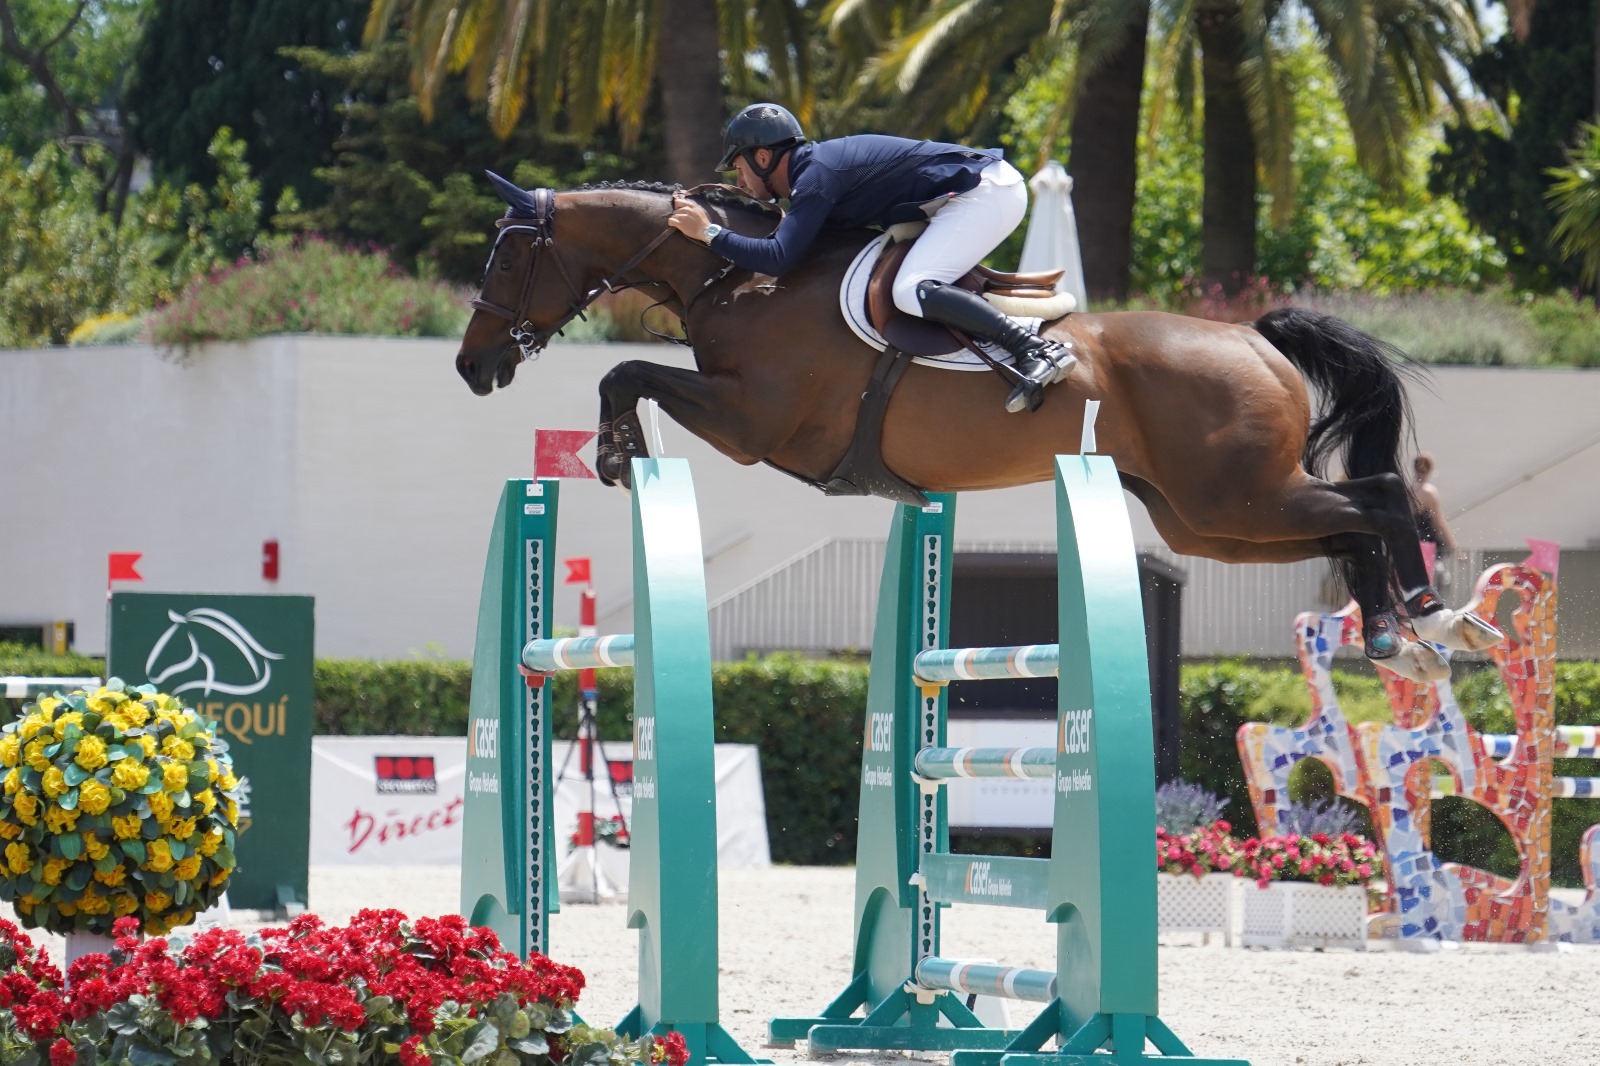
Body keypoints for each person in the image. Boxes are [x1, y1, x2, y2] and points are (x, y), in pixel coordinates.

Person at [666, 102, 1075, 414]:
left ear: (762, 156)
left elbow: (776, 258)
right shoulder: (814, 174)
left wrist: (709, 233)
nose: (738, 181)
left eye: (738, 167)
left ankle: (1035, 350)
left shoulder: (816, 177)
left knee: (911, 289)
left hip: (984, 192)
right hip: (969, 193)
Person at [1412, 452, 1462, 582]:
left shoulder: (1407, 490)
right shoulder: (1429, 491)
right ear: (1430, 469)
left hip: (1409, 542)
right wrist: (1455, 548)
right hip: (1426, 544)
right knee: (1434, 582)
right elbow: (1439, 522)